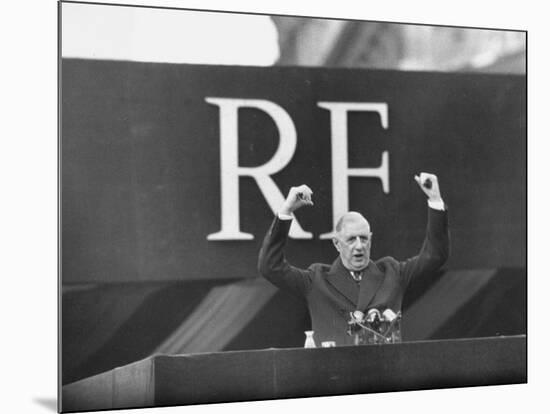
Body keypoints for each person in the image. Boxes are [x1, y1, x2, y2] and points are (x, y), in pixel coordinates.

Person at [258, 172, 449, 346]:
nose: (359, 246)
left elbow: (434, 256)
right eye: (351, 239)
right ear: (336, 244)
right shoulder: (316, 280)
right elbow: (270, 267)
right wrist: (286, 210)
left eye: (364, 238)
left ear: (371, 239)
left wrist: (435, 199)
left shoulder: (393, 273)